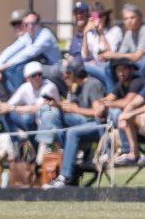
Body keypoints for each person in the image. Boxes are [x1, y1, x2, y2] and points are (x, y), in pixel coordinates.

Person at [39, 58, 107, 188]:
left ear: (75, 73)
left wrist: (76, 109)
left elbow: (98, 113)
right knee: (53, 115)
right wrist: (57, 104)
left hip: (96, 124)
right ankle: (67, 151)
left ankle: (65, 176)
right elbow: (72, 107)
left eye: (68, 73)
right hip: (82, 121)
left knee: (72, 132)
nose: (65, 76)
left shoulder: (92, 84)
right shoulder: (77, 87)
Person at [0, 11, 62, 100]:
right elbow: (10, 50)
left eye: (33, 24)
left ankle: (17, 98)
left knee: (19, 67)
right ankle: (8, 99)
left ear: (39, 24)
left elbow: (28, 53)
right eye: (26, 24)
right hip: (40, 66)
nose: (30, 27)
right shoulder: (28, 36)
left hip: (53, 69)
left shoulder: (45, 35)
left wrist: (5, 65)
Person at [0, 61, 60, 147]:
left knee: (28, 118)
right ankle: (17, 146)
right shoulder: (25, 87)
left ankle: (35, 149)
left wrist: (12, 108)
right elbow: (8, 105)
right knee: (7, 115)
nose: (38, 77)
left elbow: (36, 109)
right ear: (27, 78)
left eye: (39, 74)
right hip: (36, 123)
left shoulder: (49, 86)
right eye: (34, 75)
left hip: (53, 123)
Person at [100, 59, 145, 165]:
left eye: (124, 70)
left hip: (141, 125)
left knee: (117, 113)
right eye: (118, 70)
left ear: (132, 69)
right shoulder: (120, 84)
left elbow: (127, 103)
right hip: (128, 123)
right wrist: (99, 104)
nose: (120, 73)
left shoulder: (138, 81)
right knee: (102, 115)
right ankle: (107, 150)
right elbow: (109, 98)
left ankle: (127, 151)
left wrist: (106, 104)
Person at [0, 10, 29, 101]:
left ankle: (6, 104)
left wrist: (0, 67)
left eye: (19, 23)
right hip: (9, 70)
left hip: (19, 71)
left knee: (14, 69)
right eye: (14, 24)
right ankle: (4, 104)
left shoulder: (28, 38)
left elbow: (21, 57)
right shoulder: (20, 40)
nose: (17, 26)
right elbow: (7, 54)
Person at [99, 4, 145, 79]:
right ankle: (113, 89)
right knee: (109, 66)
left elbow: (137, 57)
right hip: (133, 66)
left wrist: (113, 55)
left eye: (132, 18)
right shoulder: (129, 33)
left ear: (140, 18)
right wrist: (108, 56)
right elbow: (121, 54)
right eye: (126, 19)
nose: (129, 21)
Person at [82, 2, 122, 92]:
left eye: (100, 17)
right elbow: (85, 55)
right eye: (94, 18)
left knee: (82, 66)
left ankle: (112, 93)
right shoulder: (91, 35)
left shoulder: (115, 31)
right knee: (80, 67)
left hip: (112, 69)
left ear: (105, 17)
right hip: (98, 68)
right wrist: (85, 33)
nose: (97, 20)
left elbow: (110, 53)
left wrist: (101, 33)